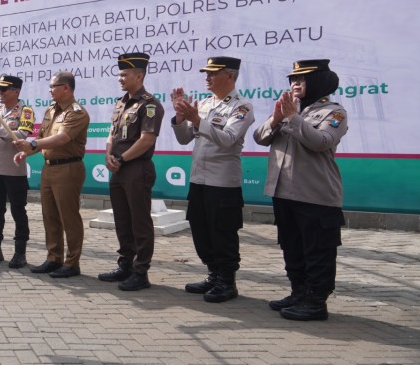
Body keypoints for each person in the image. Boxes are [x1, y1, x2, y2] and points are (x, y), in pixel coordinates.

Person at [252, 59, 348, 321]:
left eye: (302, 79)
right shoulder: (288, 109)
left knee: (318, 250)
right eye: (293, 79)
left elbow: (321, 141)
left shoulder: (334, 113)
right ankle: (299, 292)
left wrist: (293, 118)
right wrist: (277, 118)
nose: (295, 83)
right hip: (284, 191)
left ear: (318, 81)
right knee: (292, 246)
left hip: (315, 194)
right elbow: (259, 137)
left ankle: (316, 301)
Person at [170, 56, 255, 303]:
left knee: (222, 232)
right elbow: (184, 138)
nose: (207, 77)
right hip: (199, 179)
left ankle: (227, 281)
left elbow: (227, 139)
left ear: (230, 75)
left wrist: (197, 119)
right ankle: (213, 274)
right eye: (206, 73)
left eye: (213, 73)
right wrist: (180, 117)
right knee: (201, 230)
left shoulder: (242, 107)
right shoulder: (206, 103)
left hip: (223, 182)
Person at [98, 52, 166, 291]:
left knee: (140, 222)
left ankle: (141, 272)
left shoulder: (150, 104)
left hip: (137, 169)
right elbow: (112, 133)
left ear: (139, 76)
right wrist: (108, 154)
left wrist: (121, 158)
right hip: (118, 169)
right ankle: (125, 264)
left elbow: (146, 140)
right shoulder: (120, 103)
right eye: (119, 74)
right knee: (122, 220)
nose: (120, 78)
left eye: (124, 74)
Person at [14, 70, 90, 278]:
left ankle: (72, 263)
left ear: (66, 88)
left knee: (68, 217)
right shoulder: (50, 110)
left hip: (68, 168)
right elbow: (41, 137)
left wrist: (32, 144)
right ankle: (53, 258)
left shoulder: (77, 112)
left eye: (53, 86)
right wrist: (27, 152)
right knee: (50, 216)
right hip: (48, 168)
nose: (49, 90)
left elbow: (62, 138)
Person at [0, 74, 35, 268]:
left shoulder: (25, 111)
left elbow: (21, 136)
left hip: (15, 172)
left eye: (3, 89)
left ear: (16, 91)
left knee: (18, 211)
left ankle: (20, 253)